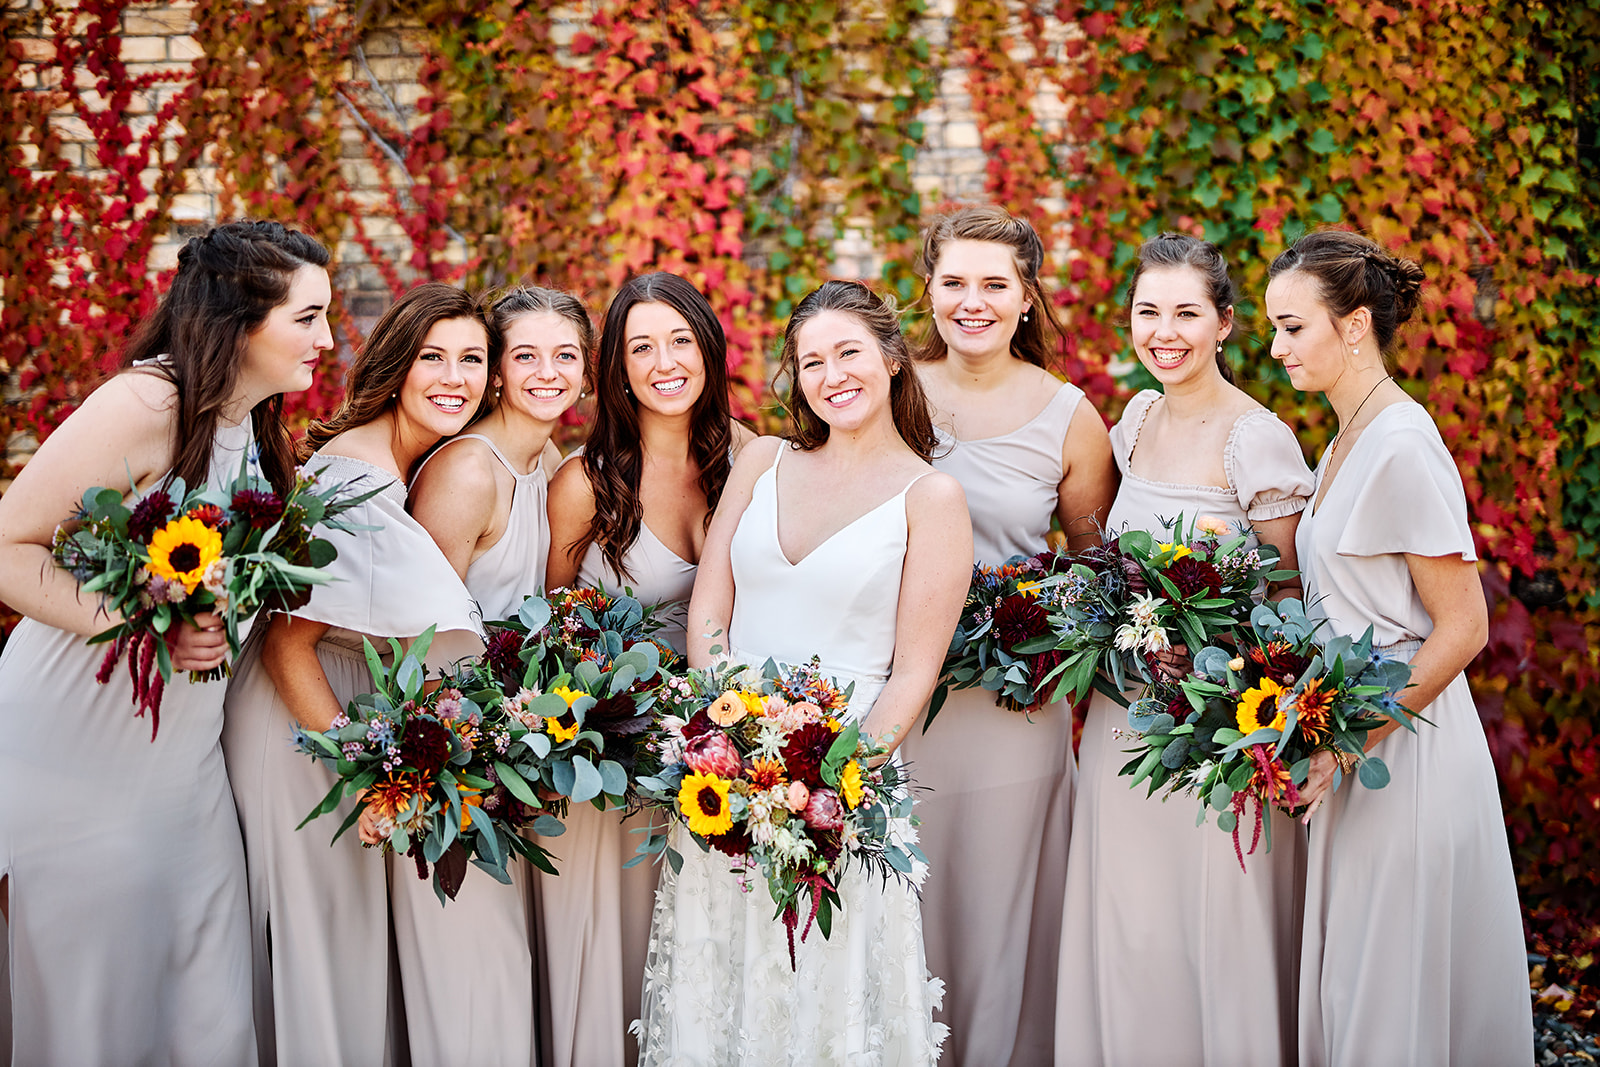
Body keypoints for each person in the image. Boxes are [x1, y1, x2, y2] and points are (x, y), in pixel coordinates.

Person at [0, 220, 332, 1065]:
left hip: (183, 767)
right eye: (308, 317)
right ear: (238, 318)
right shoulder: (147, 403)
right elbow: (8, 546)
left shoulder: (254, 424)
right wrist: (147, 624)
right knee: (102, 1002)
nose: (328, 338)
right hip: (81, 749)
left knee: (208, 1002)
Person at [636, 280, 971, 1065]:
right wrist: (729, 749)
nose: (831, 375)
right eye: (811, 361)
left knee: (826, 983)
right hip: (722, 773)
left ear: (892, 358)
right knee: (720, 978)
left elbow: (913, 675)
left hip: (843, 783)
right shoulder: (763, 459)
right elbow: (709, 613)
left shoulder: (933, 496)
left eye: (848, 352)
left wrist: (828, 788)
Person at [1266, 230, 1534, 1066]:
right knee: (1358, 981)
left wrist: (1348, 743)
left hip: (1404, 752)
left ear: (1353, 326)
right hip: (1352, 742)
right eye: (1273, 328)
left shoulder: (1403, 443)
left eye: (1292, 327)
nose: (1275, 349)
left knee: (1389, 992)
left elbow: (1464, 627)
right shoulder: (1346, 437)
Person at [1056, 233, 1313, 1066]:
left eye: (1186, 312)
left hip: (1210, 731)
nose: (1163, 330)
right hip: (1120, 719)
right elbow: (1108, 558)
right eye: (1147, 310)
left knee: (1208, 917)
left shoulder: (1257, 439)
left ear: (1226, 323)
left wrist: (1218, 661)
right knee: (1129, 922)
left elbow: (1289, 599)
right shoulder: (1133, 421)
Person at [221, 282, 488, 1066]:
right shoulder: (356, 479)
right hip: (301, 725)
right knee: (319, 948)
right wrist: (365, 773)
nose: (454, 377)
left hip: (338, 719)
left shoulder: (401, 465)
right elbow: (284, 642)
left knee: (343, 949)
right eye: (433, 356)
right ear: (396, 366)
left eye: (472, 359)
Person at [894, 204, 1116, 1064]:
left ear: (1027, 298)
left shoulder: (1069, 416)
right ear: (930, 290)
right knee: (906, 899)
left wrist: (1045, 632)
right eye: (955, 282)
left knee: (1001, 913)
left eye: (995, 284)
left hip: (1013, 705)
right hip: (901, 704)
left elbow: (1099, 571)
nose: (972, 301)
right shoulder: (890, 385)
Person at [539, 272, 752, 1065]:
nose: (664, 361)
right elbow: (547, 631)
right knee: (623, 968)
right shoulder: (584, 483)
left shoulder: (751, 462)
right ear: (617, 370)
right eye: (640, 346)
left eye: (679, 339)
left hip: (722, 765)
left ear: (708, 347)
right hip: (615, 772)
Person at [387, 286, 590, 1067]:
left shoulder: (552, 466)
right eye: (526, 355)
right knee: (478, 990)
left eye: (565, 355)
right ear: (498, 374)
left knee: (516, 985)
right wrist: (465, 771)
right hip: (455, 770)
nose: (548, 371)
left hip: (514, 765)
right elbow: (414, 644)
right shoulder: (471, 470)